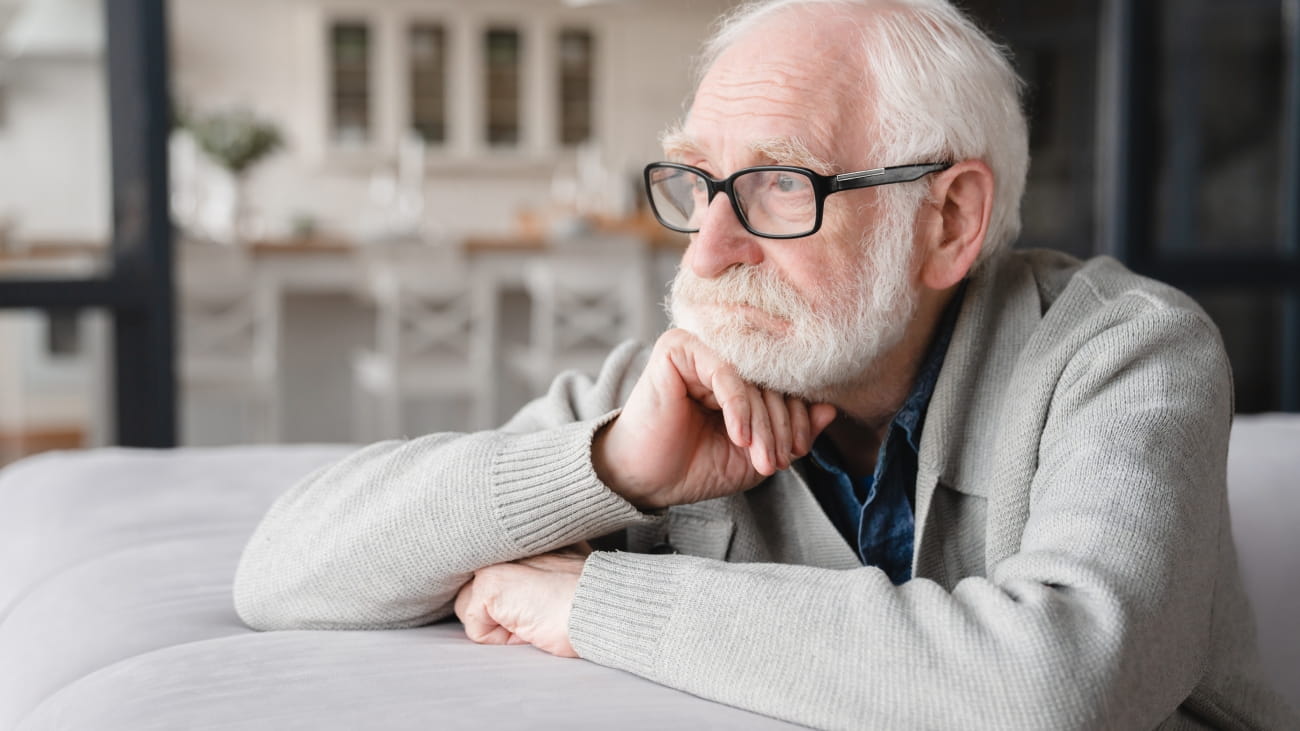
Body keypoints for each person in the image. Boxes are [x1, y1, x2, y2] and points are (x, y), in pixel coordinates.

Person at [235, 0, 1297, 727]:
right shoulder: (689, 386)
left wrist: (592, 601)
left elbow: (1060, 681)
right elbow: (279, 572)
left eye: (780, 186)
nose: (707, 247)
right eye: (698, 182)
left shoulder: (1128, 352)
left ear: (949, 220)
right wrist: (607, 466)